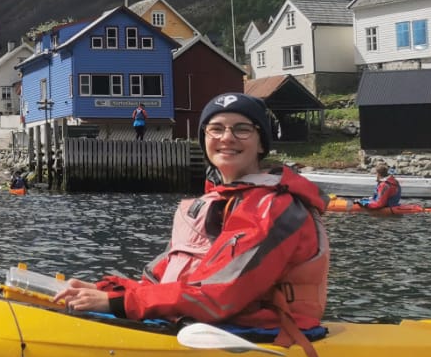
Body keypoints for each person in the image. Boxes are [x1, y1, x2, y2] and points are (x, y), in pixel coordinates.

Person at [55, 92, 328, 337]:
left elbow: (222, 294)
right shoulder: (210, 204)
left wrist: (118, 304)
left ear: (260, 144)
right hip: (208, 324)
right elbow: (156, 280)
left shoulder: (273, 207)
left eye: (242, 129)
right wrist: (109, 290)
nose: (227, 138)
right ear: (205, 140)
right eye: (216, 129)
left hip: (261, 332)